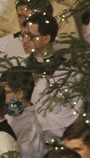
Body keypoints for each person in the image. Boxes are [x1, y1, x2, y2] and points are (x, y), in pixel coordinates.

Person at [23, 12, 82, 140]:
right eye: (24, 35)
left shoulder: (66, 73)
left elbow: (70, 115)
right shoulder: (21, 68)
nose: (25, 41)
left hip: (53, 141)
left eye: (31, 36)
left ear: (46, 38)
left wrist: (35, 122)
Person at [0, 69, 45, 158]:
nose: (1, 96)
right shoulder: (9, 115)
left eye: (6, 92)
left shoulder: (30, 127)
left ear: (19, 94)